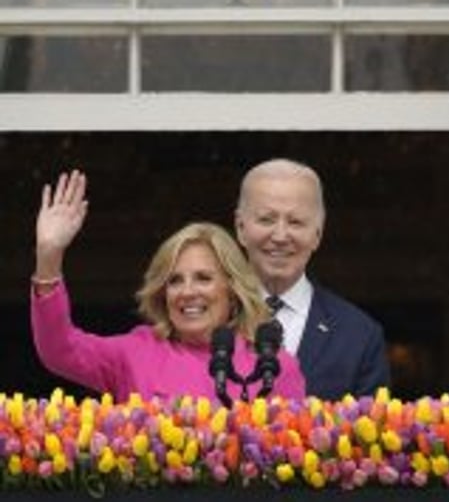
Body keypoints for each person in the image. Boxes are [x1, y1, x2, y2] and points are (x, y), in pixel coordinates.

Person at [31, 170, 305, 403]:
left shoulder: (273, 367)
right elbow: (60, 350)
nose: (187, 292)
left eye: (203, 278)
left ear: (232, 291)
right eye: (175, 280)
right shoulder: (136, 353)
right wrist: (48, 256)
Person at [235, 158, 390, 400]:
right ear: (240, 227)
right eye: (266, 219)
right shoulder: (205, 320)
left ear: (317, 234)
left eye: (296, 222)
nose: (280, 236)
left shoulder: (358, 337)